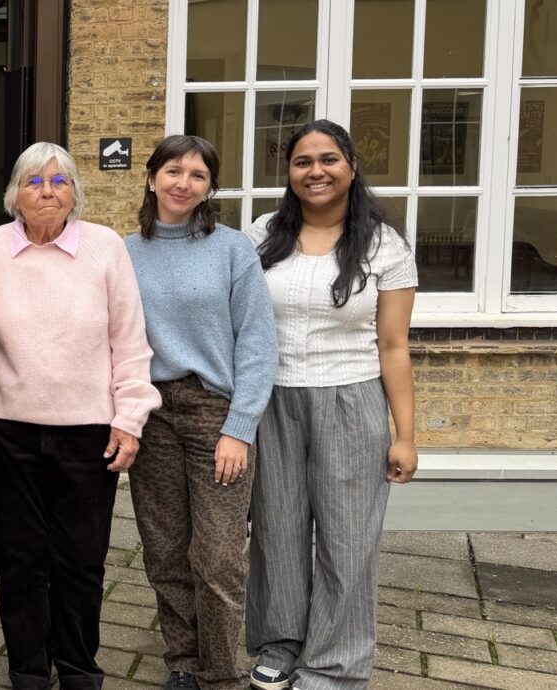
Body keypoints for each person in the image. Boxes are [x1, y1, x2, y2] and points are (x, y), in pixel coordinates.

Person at [0, 141, 159, 690]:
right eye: (34, 181)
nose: (47, 191)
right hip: (6, 428)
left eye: (59, 181)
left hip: (88, 431)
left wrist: (130, 419)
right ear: (14, 196)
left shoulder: (104, 248)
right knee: (18, 553)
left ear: (75, 192)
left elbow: (130, 342)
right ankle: (27, 666)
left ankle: (78, 666)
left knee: (80, 558)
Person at [243, 119, 418, 690]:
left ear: (350, 166)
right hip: (274, 399)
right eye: (301, 161)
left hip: (352, 397)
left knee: (347, 540)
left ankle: (335, 665)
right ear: (289, 172)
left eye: (327, 159)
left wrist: (406, 434)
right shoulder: (261, 235)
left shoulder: (384, 244)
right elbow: (241, 326)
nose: (315, 171)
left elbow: (393, 345)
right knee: (277, 528)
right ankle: (282, 642)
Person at [123, 135, 277, 690]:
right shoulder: (124, 252)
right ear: (151, 178)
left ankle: (220, 675)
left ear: (210, 187)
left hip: (215, 413)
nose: (182, 183)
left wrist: (239, 428)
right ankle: (182, 665)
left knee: (216, 556)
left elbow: (258, 343)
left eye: (197, 175)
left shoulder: (232, 249)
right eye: (172, 171)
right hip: (153, 412)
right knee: (164, 549)